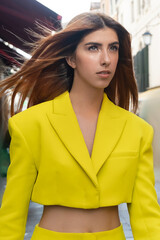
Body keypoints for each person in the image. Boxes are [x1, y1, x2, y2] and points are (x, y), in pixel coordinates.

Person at [0, 12, 160, 240]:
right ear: (71, 58)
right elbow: (12, 213)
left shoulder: (137, 130)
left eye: (113, 48)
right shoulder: (30, 125)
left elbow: (146, 215)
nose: (106, 58)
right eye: (93, 48)